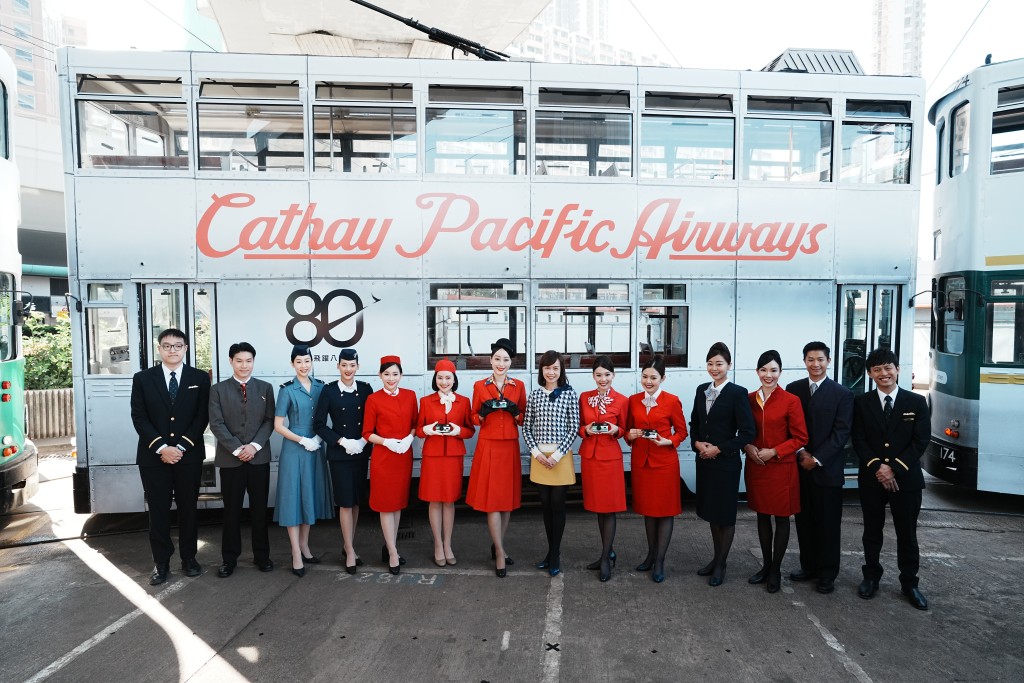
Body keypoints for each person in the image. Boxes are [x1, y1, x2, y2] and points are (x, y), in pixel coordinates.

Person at [131, 328, 211, 586]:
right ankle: (161, 563)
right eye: (167, 346)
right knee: (158, 512)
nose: (172, 350)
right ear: (159, 349)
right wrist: (162, 447)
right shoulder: (143, 378)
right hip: (154, 458)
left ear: (186, 348)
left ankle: (189, 559)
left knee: (188, 509)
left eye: (178, 345)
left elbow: (202, 417)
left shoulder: (199, 377)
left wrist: (181, 448)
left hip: (188, 457)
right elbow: (139, 417)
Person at [852, 348, 930, 610]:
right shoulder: (861, 402)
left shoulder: (916, 402)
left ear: (897, 369)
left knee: (906, 533)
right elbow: (859, 440)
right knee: (871, 531)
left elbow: (921, 441)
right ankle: (871, 577)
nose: (883, 374)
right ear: (870, 374)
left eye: (888, 368)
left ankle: (910, 583)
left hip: (906, 479)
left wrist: (893, 468)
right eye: (877, 370)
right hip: (872, 478)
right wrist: (878, 467)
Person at [786, 341, 854, 595]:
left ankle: (827, 573)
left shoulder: (842, 393)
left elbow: (842, 432)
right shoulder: (794, 390)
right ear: (804, 361)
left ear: (828, 361)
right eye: (810, 360)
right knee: (804, 520)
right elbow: (789, 426)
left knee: (828, 524)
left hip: (827, 470)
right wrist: (801, 452)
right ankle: (808, 566)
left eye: (820, 360)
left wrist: (817, 458)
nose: (815, 364)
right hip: (800, 466)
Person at [690, 341, 756, 587]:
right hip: (705, 461)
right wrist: (697, 444)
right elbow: (694, 423)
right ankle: (716, 558)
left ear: (729, 365)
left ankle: (721, 564)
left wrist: (719, 448)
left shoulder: (738, 393)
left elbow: (747, 433)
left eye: (719, 364)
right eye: (710, 363)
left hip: (726, 463)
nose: (714, 368)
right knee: (712, 513)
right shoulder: (701, 390)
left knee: (725, 515)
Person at [208, 342, 276, 578]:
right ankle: (229, 559)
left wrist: (254, 446)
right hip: (231, 461)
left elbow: (269, 421)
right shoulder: (218, 390)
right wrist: (238, 449)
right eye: (239, 361)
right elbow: (216, 423)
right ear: (231, 361)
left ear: (253, 362)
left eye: (248, 361)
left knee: (259, 511)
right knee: (231, 512)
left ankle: (262, 556)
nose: (244, 365)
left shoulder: (265, 388)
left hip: (258, 459)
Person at [743, 350, 808, 593]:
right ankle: (765, 565)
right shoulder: (748, 399)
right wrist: (748, 447)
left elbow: (801, 437)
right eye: (763, 370)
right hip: (757, 465)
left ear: (780, 372)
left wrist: (774, 452)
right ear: (757, 372)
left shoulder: (791, 400)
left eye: (773, 370)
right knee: (761, 516)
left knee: (781, 519)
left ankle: (775, 570)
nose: (768, 375)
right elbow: (741, 430)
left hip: (781, 468)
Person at [465, 338, 527, 578]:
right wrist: (482, 413)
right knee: (492, 500)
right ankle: (500, 552)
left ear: (511, 362)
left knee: (507, 499)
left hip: (509, 445)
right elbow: (472, 417)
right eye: (497, 359)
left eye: (506, 359)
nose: (501, 363)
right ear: (490, 360)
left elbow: (524, 417)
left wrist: (515, 413)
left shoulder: (518, 385)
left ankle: (498, 544)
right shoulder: (480, 385)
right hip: (489, 445)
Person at [625, 355, 688, 583]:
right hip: (642, 463)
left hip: (664, 463)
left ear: (663, 378)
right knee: (648, 511)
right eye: (644, 377)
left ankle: (660, 560)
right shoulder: (633, 400)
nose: (648, 381)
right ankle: (651, 556)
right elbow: (627, 430)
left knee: (665, 511)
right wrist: (629, 435)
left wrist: (668, 440)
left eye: (653, 377)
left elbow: (682, 432)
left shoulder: (672, 401)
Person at [273, 344, 334, 578]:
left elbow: (326, 417)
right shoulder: (287, 390)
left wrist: (318, 436)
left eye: (307, 361)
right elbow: (278, 426)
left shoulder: (321, 388)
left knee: (309, 496)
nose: (304, 365)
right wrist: (302, 439)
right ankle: (295, 552)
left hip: (316, 445)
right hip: (295, 448)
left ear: (312, 361)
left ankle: (305, 546)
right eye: (299, 362)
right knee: (293, 499)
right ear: (292, 364)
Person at [314, 348, 373, 574]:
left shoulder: (365, 390)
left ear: (358, 366)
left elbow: (373, 419)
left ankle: (349, 544)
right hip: (340, 454)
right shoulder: (329, 391)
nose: (348, 369)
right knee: (345, 502)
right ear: (338, 366)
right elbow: (319, 424)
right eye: (344, 365)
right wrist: (340, 441)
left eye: (352, 365)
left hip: (360, 451)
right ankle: (349, 550)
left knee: (356, 500)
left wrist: (362, 441)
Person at [523, 350, 580, 578]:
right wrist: (536, 453)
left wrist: (557, 455)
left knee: (558, 505)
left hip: (560, 457)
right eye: (547, 368)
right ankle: (549, 552)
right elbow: (527, 427)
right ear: (542, 370)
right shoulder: (535, 395)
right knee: (545, 506)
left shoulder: (569, 394)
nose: (551, 372)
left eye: (555, 368)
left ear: (561, 370)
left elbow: (574, 427)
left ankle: (555, 554)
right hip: (540, 457)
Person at [362, 355, 418, 575]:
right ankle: (393, 553)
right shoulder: (373, 399)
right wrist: (386, 441)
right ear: (380, 375)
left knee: (398, 503)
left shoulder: (410, 396)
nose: (391, 378)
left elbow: (415, 423)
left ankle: (390, 546)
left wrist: (409, 438)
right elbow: (366, 433)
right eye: (387, 374)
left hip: (403, 455)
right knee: (386, 504)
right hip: (384, 457)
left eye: (395, 374)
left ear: (401, 375)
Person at [416, 359, 475, 567]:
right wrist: (429, 430)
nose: (444, 381)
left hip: (453, 456)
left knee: (449, 501)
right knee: (434, 500)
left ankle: (448, 544)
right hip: (433, 456)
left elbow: (470, 430)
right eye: (440, 377)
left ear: (454, 379)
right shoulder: (425, 401)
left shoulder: (464, 401)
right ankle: (437, 545)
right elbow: (418, 429)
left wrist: (458, 430)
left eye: (448, 377)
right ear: (435, 379)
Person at [578, 355, 628, 582]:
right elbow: (578, 427)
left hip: (609, 459)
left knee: (609, 508)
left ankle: (606, 558)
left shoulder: (622, 400)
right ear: (593, 376)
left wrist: (614, 429)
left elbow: (626, 432)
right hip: (590, 457)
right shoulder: (584, 397)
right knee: (598, 508)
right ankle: (608, 551)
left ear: (613, 375)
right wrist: (586, 429)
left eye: (607, 374)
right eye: (599, 375)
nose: (603, 379)